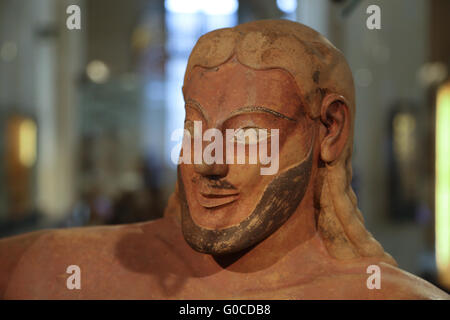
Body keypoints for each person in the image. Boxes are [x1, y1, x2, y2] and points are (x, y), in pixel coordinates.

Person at [0, 20, 448, 299]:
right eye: (194, 128)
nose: (208, 164)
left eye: (250, 135)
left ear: (330, 129)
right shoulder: (49, 269)